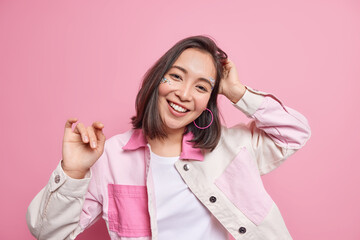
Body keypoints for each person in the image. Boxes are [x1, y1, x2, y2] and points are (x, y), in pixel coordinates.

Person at [26, 35, 311, 240]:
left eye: (201, 87)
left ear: (209, 101)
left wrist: (237, 92)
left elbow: (294, 132)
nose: (184, 95)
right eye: (175, 77)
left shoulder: (231, 147)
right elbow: (47, 233)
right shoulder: (109, 156)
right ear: (157, 80)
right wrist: (72, 173)